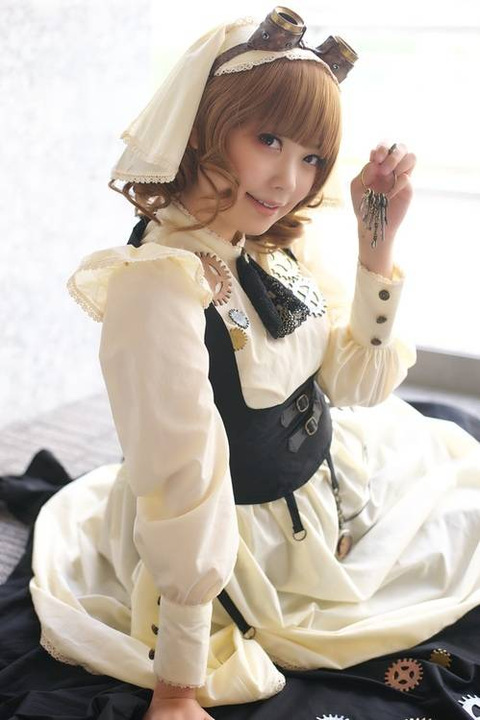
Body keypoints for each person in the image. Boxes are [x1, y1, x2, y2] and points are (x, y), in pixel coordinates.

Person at [30, 8, 480, 720]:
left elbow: (351, 385)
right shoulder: (160, 285)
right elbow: (185, 478)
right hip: (240, 554)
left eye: (311, 157)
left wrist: (377, 245)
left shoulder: (266, 240)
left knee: (454, 462)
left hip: (327, 488)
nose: (288, 180)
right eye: (268, 139)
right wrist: (178, 683)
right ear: (206, 127)